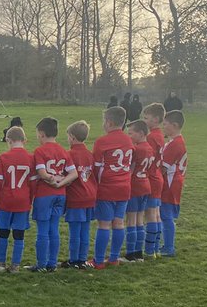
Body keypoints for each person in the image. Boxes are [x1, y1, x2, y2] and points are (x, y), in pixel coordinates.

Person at [29, 117, 77, 272]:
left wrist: (51, 179)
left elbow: (42, 173)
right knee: (54, 228)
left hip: (45, 195)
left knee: (43, 230)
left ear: (42, 134)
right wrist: (61, 183)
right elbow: (73, 173)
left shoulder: (40, 151)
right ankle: (52, 263)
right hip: (60, 195)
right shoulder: (63, 151)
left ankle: (41, 264)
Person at [91, 105, 133, 268]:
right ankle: (114, 258)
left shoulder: (102, 141)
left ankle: (99, 260)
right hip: (124, 187)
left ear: (108, 122)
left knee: (104, 224)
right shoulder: (128, 139)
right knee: (119, 222)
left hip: (107, 188)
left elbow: (96, 167)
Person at [0, 126, 34, 273]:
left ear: (8, 140)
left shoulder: (4, 157)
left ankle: (1, 263)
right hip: (23, 201)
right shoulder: (31, 158)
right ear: (25, 140)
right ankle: (16, 265)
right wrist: (30, 200)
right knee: (19, 235)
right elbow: (33, 183)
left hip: (6, 200)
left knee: (3, 233)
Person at [61, 121, 96, 269]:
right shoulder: (90, 154)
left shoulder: (69, 155)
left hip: (76, 197)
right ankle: (82, 259)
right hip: (90, 196)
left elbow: (66, 176)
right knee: (85, 230)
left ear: (72, 137)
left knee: (75, 231)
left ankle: (74, 259)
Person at [124, 120, 154, 262]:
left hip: (135, 186)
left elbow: (130, 169)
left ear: (141, 133)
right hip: (145, 185)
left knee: (131, 220)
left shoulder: (137, 149)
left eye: (131, 133)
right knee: (140, 220)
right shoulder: (149, 148)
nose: (129, 136)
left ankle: (130, 254)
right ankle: (139, 253)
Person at [159, 110, 188, 257]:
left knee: (166, 215)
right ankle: (166, 245)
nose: (163, 127)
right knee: (165, 214)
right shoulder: (177, 141)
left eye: (165, 124)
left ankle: (169, 247)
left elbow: (163, 168)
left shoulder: (174, 144)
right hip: (175, 182)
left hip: (170, 184)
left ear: (174, 125)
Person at [141, 103, 166, 258]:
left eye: (146, 118)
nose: (145, 121)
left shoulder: (151, 137)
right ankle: (155, 248)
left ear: (156, 119)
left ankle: (150, 250)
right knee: (156, 214)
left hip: (151, 178)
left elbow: (147, 157)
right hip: (158, 177)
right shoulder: (160, 135)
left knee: (150, 214)